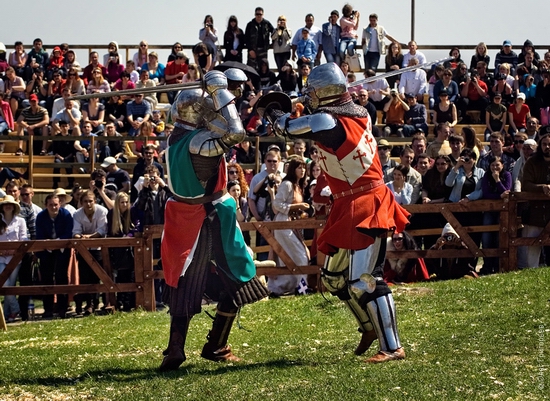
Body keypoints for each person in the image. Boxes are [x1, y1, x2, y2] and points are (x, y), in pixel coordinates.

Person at [267, 62, 408, 363]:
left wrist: (275, 112)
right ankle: (369, 328)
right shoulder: (358, 112)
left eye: (312, 92)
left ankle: (393, 346)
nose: (308, 97)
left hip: (366, 202)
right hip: (347, 202)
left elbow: (288, 129)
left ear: (323, 93)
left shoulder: (327, 121)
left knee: (365, 279)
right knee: (333, 278)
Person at [159, 71, 268, 371]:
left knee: (183, 286)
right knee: (239, 281)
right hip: (208, 221)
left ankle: (176, 349)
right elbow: (235, 134)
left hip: (182, 220)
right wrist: (220, 89)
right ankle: (216, 345)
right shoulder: (197, 142)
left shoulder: (175, 139)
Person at [268, 157, 311, 295]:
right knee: (300, 255)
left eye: (304, 167)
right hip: (284, 223)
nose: (302, 170)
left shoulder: (298, 186)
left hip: (293, 224)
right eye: (299, 167)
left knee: (291, 256)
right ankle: (301, 287)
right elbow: (276, 204)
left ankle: (283, 288)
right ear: (293, 169)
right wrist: (296, 206)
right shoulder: (287, 184)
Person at [35, 194, 73, 318]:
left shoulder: (66, 215)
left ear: (60, 204)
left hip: (62, 249)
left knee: (62, 277)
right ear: (46, 205)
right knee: (46, 278)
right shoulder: (41, 216)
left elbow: (69, 232)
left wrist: (57, 242)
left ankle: (62, 308)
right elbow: (39, 235)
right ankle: (48, 309)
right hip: (46, 250)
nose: (53, 207)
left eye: (56, 204)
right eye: (50, 205)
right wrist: (48, 245)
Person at [72, 190, 108, 316]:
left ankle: (95, 302)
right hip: (83, 248)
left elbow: (102, 230)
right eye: (85, 201)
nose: (88, 204)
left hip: (98, 248)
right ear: (81, 203)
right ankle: (88, 303)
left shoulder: (102, 211)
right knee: (84, 276)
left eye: (90, 201)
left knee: (97, 276)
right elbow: (75, 231)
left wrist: (89, 237)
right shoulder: (77, 214)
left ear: (95, 201)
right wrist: (79, 237)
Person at [519, 134, 550, 268]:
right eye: (544, 144)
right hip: (535, 212)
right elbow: (526, 184)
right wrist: (542, 188)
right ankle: (531, 272)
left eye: (549, 144)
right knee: (532, 248)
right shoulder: (532, 162)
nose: (547, 147)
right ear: (540, 146)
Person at [479, 156, 512, 275]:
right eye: (492, 165)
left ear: (502, 165)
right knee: (487, 238)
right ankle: (487, 266)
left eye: (497, 165)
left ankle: (500, 265)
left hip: (502, 211)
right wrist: (499, 196)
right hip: (489, 210)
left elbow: (507, 191)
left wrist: (497, 180)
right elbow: (486, 194)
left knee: (500, 238)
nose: (495, 167)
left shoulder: (507, 175)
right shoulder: (486, 177)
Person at [0, 195, 28, 323]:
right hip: (0, 257)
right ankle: (16, 309)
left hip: (15, 258)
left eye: (10, 204)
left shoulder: (20, 221)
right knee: (3, 284)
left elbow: (24, 239)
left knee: (10, 286)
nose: (8, 206)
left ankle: (7, 314)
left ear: (14, 206)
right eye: (5, 204)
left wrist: (14, 250)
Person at [107, 192, 136, 311]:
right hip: (117, 250)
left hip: (130, 250)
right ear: (117, 203)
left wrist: (129, 235)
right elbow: (110, 232)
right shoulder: (111, 214)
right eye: (122, 202)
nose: (124, 204)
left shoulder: (131, 213)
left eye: (126, 202)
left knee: (130, 276)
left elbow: (136, 227)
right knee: (119, 276)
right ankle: (119, 301)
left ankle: (129, 303)